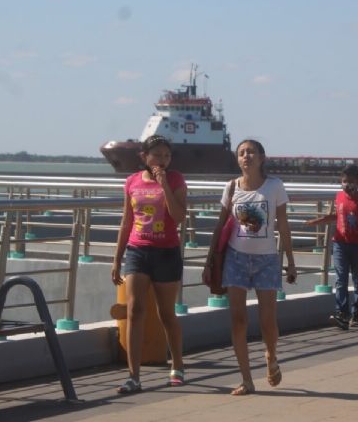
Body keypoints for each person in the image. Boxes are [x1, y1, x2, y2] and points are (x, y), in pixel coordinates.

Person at [202, 139, 298, 396]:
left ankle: (271, 355)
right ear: (238, 159)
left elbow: (283, 225)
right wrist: (209, 261)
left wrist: (290, 261)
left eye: (251, 152)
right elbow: (220, 225)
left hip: (267, 259)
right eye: (242, 153)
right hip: (236, 258)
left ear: (262, 157)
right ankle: (246, 379)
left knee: (268, 320)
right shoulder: (231, 187)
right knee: (238, 319)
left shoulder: (274, 186)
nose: (246, 156)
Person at [111, 135, 187, 394]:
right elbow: (126, 221)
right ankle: (133, 376)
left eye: (167, 155)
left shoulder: (175, 179)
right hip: (137, 250)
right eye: (157, 155)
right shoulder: (132, 181)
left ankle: (177, 365)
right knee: (135, 310)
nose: (162, 160)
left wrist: (164, 185)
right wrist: (117, 258)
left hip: (166, 252)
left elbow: (179, 216)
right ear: (144, 156)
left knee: (166, 313)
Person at [305, 164, 358, 330]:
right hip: (340, 244)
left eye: (351, 181)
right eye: (344, 181)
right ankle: (341, 313)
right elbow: (337, 216)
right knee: (340, 279)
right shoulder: (338, 197)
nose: (347, 185)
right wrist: (318, 221)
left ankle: (357, 313)